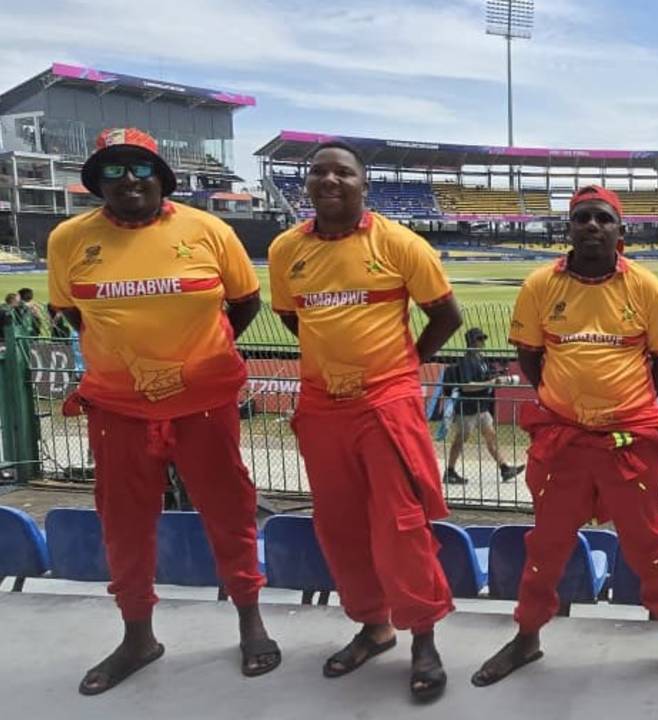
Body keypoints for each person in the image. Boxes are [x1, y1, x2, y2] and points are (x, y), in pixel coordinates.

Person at [46, 128, 279, 695]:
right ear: (96, 182)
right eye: (113, 170)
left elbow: (244, 303)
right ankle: (138, 637)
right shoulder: (68, 239)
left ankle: (251, 620)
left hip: (205, 404)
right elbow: (75, 317)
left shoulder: (208, 229)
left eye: (141, 168)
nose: (128, 181)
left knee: (229, 511)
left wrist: (196, 358)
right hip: (118, 408)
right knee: (123, 525)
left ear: (163, 176)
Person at [471, 185, 658, 695]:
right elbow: (531, 358)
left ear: (620, 231)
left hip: (629, 442)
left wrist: (625, 404)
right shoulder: (540, 285)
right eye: (582, 218)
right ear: (568, 228)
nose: (592, 226)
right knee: (546, 545)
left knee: (650, 544)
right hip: (564, 442)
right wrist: (567, 402)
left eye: (603, 218)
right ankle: (527, 636)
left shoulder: (645, 286)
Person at [268, 140, 463, 702]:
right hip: (322, 404)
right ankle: (374, 627)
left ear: (363, 185)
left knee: (401, 525)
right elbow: (292, 318)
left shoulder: (399, 243)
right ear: (307, 184)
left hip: (385, 401)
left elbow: (446, 316)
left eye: (343, 172)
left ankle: (422, 637)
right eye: (318, 172)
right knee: (341, 524)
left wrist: (403, 365)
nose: (329, 180)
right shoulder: (285, 250)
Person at [443, 327, 525, 485]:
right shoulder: (466, 361)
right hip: (467, 408)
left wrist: (497, 378)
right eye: (480, 339)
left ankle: (504, 468)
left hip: (481, 407)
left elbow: (486, 377)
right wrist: (490, 382)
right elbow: (466, 386)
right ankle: (450, 471)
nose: (483, 342)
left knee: (491, 436)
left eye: (483, 339)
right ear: (472, 342)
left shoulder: (481, 359)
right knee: (461, 439)